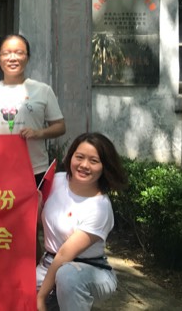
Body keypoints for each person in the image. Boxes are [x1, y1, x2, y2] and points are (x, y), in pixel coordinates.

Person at [36, 132, 129, 310]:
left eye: (94, 161)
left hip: (88, 271)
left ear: (104, 166)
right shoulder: (57, 180)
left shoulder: (100, 207)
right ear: (70, 157)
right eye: (79, 157)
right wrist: (37, 206)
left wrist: (40, 297)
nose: (84, 165)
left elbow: (65, 254)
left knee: (67, 277)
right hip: (48, 265)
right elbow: (45, 226)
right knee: (12, 292)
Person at [0, 34, 66, 181]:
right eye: (6, 53)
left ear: (27, 58)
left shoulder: (43, 90)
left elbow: (60, 126)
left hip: (34, 168)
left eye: (19, 53)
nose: (12, 58)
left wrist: (38, 133)